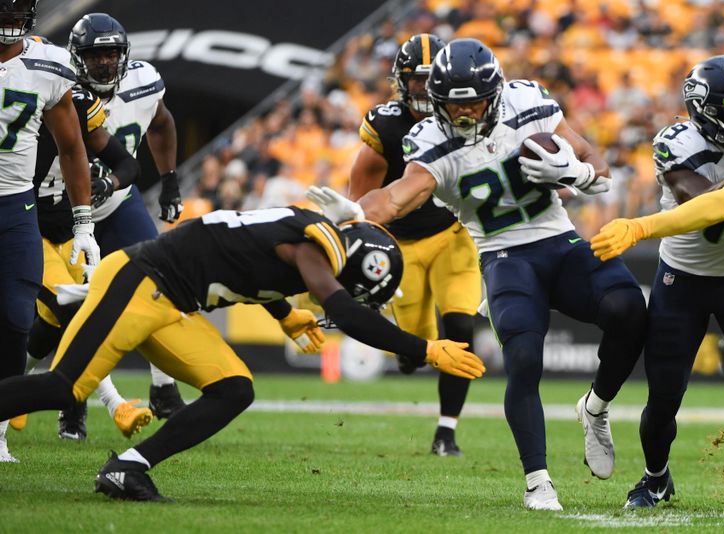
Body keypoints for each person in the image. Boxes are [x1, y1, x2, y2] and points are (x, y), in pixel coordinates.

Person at [306, 38, 647, 511]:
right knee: (525, 357)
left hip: (557, 238)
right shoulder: (431, 140)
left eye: (473, 104)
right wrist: (354, 212)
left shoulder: (529, 102)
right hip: (504, 254)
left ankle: (595, 407)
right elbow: (397, 197)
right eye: (453, 106)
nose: (463, 116)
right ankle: (538, 481)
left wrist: (576, 171)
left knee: (630, 309)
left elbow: (601, 168)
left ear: (497, 92)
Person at [0, 206, 485, 500]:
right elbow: (347, 312)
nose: (346, 295)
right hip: (139, 280)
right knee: (64, 386)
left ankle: (128, 469)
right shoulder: (314, 251)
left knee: (234, 388)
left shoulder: (305, 235)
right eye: (357, 289)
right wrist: (425, 349)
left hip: (171, 301)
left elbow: (244, 254)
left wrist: (283, 313)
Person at [590, 32, 724, 519]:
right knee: (664, 396)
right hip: (680, 283)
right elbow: (708, 207)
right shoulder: (676, 141)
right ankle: (657, 478)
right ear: (707, 112)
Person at [22, 13, 186, 439]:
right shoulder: (56, 89)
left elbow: (161, 125)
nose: (105, 64)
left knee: (157, 281)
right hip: (48, 209)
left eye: (112, 54)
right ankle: (70, 405)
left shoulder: (142, 82)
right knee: (63, 309)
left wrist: (168, 180)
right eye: (96, 56)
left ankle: (163, 388)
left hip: (110, 202)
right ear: (77, 58)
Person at [350, 33, 481, 457]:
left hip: (451, 238)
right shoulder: (386, 125)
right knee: (417, 349)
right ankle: (408, 356)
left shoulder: (469, 114)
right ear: (400, 81)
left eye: (431, 79)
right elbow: (360, 199)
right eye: (416, 79)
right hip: (401, 244)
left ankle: (447, 431)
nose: (424, 88)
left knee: (460, 330)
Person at [0, 0, 99, 462]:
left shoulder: (48, 65)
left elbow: (73, 147)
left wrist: (84, 224)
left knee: (18, 319)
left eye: (17, 8)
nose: (9, 18)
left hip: (17, 208)